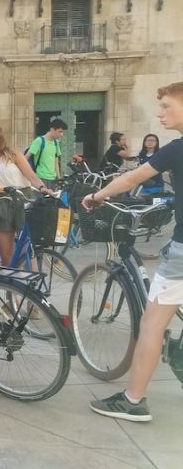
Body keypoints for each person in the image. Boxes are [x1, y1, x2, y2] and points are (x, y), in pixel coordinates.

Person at [85, 82, 183, 422]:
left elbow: (132, 179)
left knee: (153, 322)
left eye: (168, 106)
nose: (160, 113)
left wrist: (96, 197)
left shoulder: (177, 149)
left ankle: (133, 399)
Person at [0, 124, 49, 266]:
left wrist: (42, 188)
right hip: (2, 201)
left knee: (28, 249)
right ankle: (10, 286)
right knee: (6, 254)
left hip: (24, 198)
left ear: (0, 140)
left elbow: (31, 176)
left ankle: (32, 284)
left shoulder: (13, 155)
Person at [26, 118, 67, 190]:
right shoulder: (39, 141)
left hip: (53, 179)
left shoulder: (56, 143)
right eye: (60, 132)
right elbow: (26, 158)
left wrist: (59, 177)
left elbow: (56, 161)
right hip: (40, 178)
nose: (61, 135)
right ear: (52, 129)